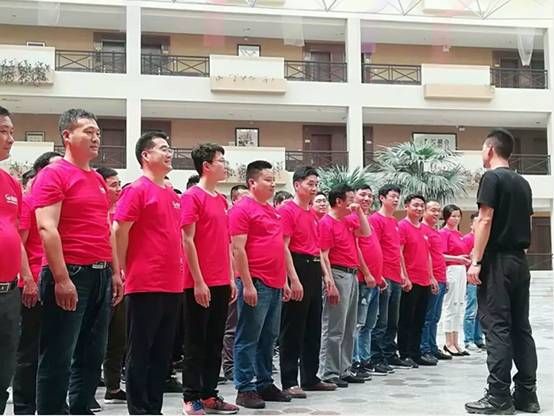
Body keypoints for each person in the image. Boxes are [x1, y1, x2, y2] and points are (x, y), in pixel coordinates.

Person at [33, 109, 123, 414]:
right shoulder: (54, 174)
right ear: (67, 136)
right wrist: (61, 278)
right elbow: (47, 227)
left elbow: (104, 227)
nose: (96, 137)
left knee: (91, 355)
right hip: (70, 272)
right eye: (88, 131)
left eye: (97, 132)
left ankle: (81, 408)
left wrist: (114, 272)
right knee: (58, 355)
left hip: (100, 274)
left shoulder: (97, 179)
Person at [465, 129, 539, 414]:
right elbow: (528, 223)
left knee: (497, 328)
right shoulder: (523, 183)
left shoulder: (492, 178)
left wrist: (476, 260)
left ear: (490, 150)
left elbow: (485, 219)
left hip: (497, 260)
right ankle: (527, 394)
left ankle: (498, 395)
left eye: (482, 149)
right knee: (521, 327)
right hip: (519, 261)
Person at [113, 131, 184, 415]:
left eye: (170, 148)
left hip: (173, 284)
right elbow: (119, 230)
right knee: (141, 350)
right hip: (145, 282)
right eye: (163, 148)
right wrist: (121, 269)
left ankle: (154, 407)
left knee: (162, 353)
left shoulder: (171, 193)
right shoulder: (137, 189)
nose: (169, 153)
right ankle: (139, 408)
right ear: (146, 155)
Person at [180, 143, 239, 415]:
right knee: (196, 341)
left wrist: (230, 277)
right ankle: (191, 397)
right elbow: (187, 240)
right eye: (221, 161)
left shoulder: (221, 200)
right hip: (198, 282)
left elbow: (226, 242)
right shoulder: (192, 197)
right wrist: (198, 281)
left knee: (215, 341)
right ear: (206, 166)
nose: (225, 165)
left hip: (220, 281)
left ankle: (208, 394)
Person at [230, 160, 290, 409]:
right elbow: (238, 249)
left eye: (273, 179)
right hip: (256, 281)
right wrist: (247, 283)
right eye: (267, 179)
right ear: (252, 182)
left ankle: (265, 382)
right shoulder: (242, 209)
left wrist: (285, 281)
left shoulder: (272, 211)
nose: (272, 184)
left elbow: (279, 248)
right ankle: (245, 387)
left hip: (275, 283)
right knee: (248, 336)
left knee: (269, 337)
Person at [278, 167, 337, 399]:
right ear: (297, 185)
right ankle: (289, 380)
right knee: (293, 327)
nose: (314, 188)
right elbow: (284, 247)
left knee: (313, 326)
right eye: (310, 184)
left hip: (313, 267)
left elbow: (318, 249)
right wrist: (293, 278)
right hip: (297, 265)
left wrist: (326, 276)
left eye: (316, 184)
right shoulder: (287, 210)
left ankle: (310, 377)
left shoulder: (313, 214)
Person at [13, 151, 62, 415]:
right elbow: (18, 243)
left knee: (56, 349)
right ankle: (24, 406)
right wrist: (28, 280)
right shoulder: (29, 202)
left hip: (56, 282)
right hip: (33, 283)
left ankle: (52, 404)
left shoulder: (58, 204)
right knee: (29, 351)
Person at [318, 184, 370, 387]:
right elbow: (324, 255)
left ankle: (344, 368)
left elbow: (365, 233)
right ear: (338, 201)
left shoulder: (348, 219)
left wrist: (359, 212)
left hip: (352, 274)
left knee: (349, 326)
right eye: (350, 199)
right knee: (334, 326)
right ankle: (329, 371)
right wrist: (329, 281)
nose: (353, 202)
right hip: (337, 273)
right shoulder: (326, 222)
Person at [0, 106, 32, 415]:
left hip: (8, 291)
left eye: (11, 131)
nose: (10, 138)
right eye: (2, 131)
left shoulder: (10, 183)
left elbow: (15, 235)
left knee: (3, 370)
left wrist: (27, 277)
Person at [370, 185, 411, 371]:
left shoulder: (394, 221)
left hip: (395, 275)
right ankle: (376, 357)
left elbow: (397, 251)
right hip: (384, 275)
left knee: (393, 320)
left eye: (397, 197)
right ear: (382, 198)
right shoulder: (375, 220)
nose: (395, 200)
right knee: (381, 320)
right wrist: (378, 274)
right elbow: (375, 248)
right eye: (392, 196)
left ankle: (389, 353)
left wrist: (403, 274)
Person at [94, 167, 126, 405]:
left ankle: (113, 386)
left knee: (118, 336)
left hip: (122, 280)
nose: (118, 189)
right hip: (98, 276)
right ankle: (87, 387)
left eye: (119, 184)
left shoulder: (121, 212)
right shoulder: (96, 213)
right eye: (113, 184)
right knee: (96, 336)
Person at [397, 194, 438, 367]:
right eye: (415, 205)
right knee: (407, 318)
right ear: (406, 206)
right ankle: (404, 353)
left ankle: (415, 353)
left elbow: (427, 255)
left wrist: (431, 276)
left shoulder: (424, 229)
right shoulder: (402, 226)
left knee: (419, 319)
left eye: (422, 206)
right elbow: (399, 252)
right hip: (410, 280)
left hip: (424, 280)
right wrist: (404, 276)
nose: (419, 208)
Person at [351, 185, 385, 378]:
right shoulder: (353, 218)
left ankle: (365, 359)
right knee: (358, 323)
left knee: (369, 324)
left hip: (374, 281)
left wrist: (378, 276)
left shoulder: (367, 220)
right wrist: (366, 272)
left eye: (370, 196)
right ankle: (355, 360)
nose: (366, 198)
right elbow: (356, 249)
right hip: (362, 280)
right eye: (362, 194)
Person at [221, 184, 249, 382]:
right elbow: (231, 250)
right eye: (243, 197)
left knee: (245, 325)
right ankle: (230, 365)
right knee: (232, 326)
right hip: (233, 276)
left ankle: (243, 365)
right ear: (234, 200)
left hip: (248, 277)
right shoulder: (231, 217)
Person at [420, 201, 452, 362]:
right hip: (431, 278)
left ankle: (432, 346)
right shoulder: (422, 230)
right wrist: (431, 276)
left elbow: (439, 256)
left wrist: (444, 278)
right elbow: (425, 256)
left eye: (438, 211)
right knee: (428, 316)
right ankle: (424, 348)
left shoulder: (435, 232)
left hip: (441, 277)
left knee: (435, 316)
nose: (436, 213)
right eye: (432, 210)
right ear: (425, 211)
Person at [440, 205, 471, 357]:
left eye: (458, 216)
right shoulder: (443, 233)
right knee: (450, 305)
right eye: (453, 216)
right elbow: (440, 254)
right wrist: (457, 258)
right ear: (446, 217)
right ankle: (448, 342)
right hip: (451, 269)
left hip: (461, 270)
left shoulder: (458, 234)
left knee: (459, 304)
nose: (456, 219)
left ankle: (455, 340)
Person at [463, 213, 485, 351]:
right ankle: (468, 339)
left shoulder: (483, 238)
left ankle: (478, 338)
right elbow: (465, 259)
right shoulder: (467, 239)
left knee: (481, 311)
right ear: (472, 224)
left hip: (483, 279)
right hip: (471, 279)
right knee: (471, 310)